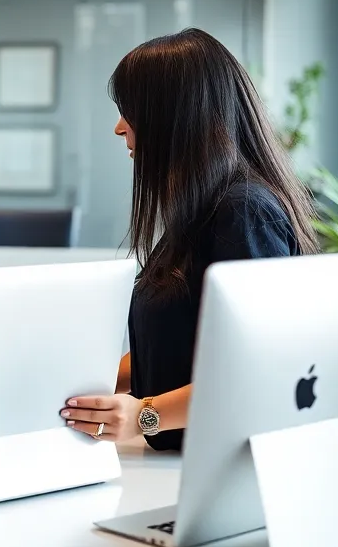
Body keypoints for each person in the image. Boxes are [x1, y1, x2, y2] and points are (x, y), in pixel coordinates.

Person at [61, 28, 319, 450]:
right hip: (183, 462)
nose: (118, 127)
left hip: (215, 466)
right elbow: (178, 346)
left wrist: (145, 416)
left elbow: (256, 370)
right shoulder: (202, 210)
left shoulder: (243, 213)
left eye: (131, 111)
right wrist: (98, 377)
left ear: (174, 117)